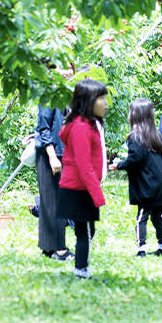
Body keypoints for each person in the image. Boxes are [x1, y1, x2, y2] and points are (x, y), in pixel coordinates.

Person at [57, 79, 109, 279]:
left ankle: (82, 267)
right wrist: (97, 194)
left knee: (87, 230)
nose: (105, 103)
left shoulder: (88, 124)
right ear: (87, 101)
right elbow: (83, 164)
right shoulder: (81, 127)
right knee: (84, 232)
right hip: (78, 189)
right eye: (100, 98)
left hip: (82, 188)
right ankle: (81, 269)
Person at [110, 99, 162, 258]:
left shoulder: (136, 136)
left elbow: (134, 159)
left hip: (149, 186)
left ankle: (141, 248)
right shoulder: (155, 135)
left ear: (135, 116)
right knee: (157, 216)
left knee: (141, 217)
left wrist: (118, 165)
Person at [34, 106, 73, 261]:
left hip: (61, 152)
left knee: (50, 202)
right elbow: (43, 127)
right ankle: (60, 250)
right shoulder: (50, 92)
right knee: (56, 202)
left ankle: (48, 248)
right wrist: (51, 156)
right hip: (51, 153)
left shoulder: (66, 93)